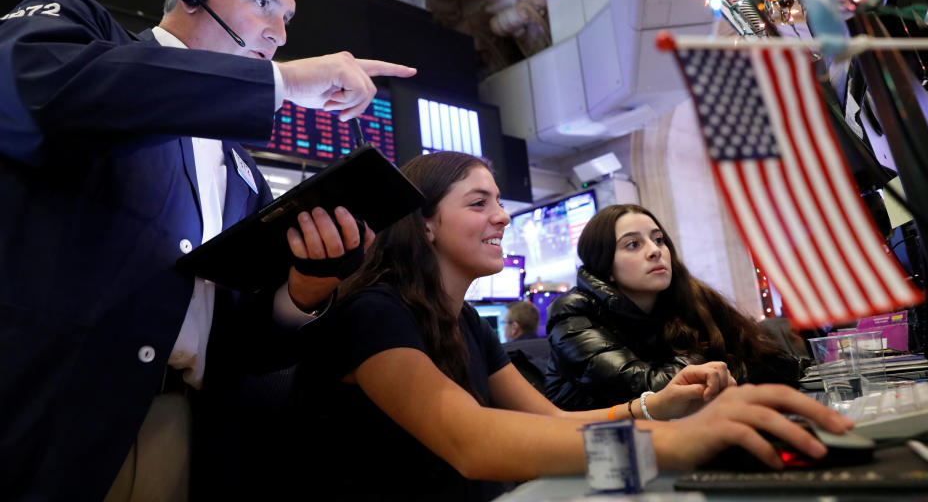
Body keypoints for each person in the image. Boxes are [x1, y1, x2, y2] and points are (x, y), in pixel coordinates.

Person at [0, 0, 414, 501]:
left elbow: (241, 338)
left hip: (184, 424)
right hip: (47, 408)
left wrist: (306, 285)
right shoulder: (83, 29)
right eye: (264, 3)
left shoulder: (241, 170)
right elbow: (39, 92)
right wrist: (281, 83)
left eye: (287, 18)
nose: (278, 33)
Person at [287, 152, 852, 501]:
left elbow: (554, 422)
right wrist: (675, 442)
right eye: (479, 202)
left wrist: (656, 407)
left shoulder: (461, 320)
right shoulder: (374, 312)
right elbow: (472, 443)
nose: (503, 216)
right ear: (425, 224)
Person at [544, 204, 804, 411]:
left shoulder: (690, 295)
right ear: (605, 266)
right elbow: (650, 391)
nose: (655, 251)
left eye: (658, 240)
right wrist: (724, 361)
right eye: (633, 244)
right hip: (594, 453)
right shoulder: (572, 312)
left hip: (679, 434)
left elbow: (764, 358)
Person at [502, 301, 551, 392]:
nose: (503, 327)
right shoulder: (550, 345)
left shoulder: (507, 354)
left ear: (514, 327)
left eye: (504, 323)